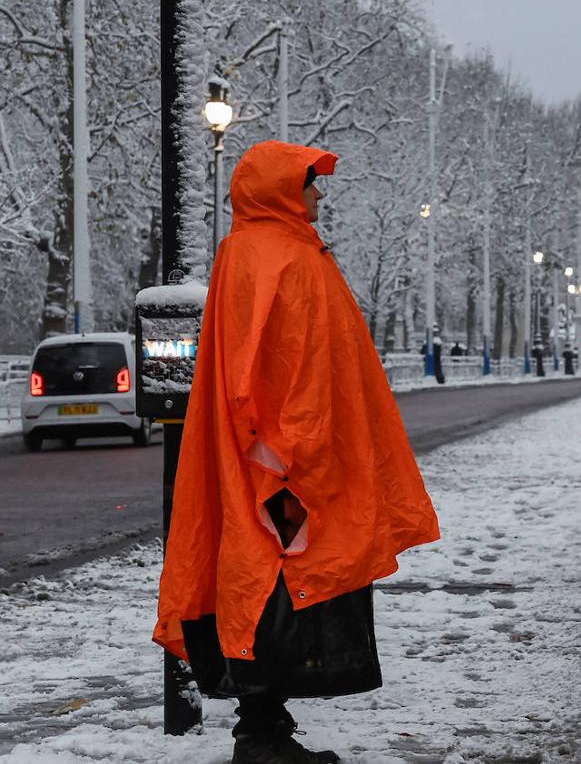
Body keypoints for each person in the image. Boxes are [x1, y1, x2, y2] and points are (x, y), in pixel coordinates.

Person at [154, 141, 440, 764]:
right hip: (281, 457)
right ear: (282, 188)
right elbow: (279, 366)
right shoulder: (276, 256)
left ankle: (265, 726)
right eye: (311, 183)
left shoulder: (260, 252)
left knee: (265, 577)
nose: (320, 194)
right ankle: (259, 733)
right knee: (275, 579)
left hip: (273, 452)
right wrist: (289, 463)